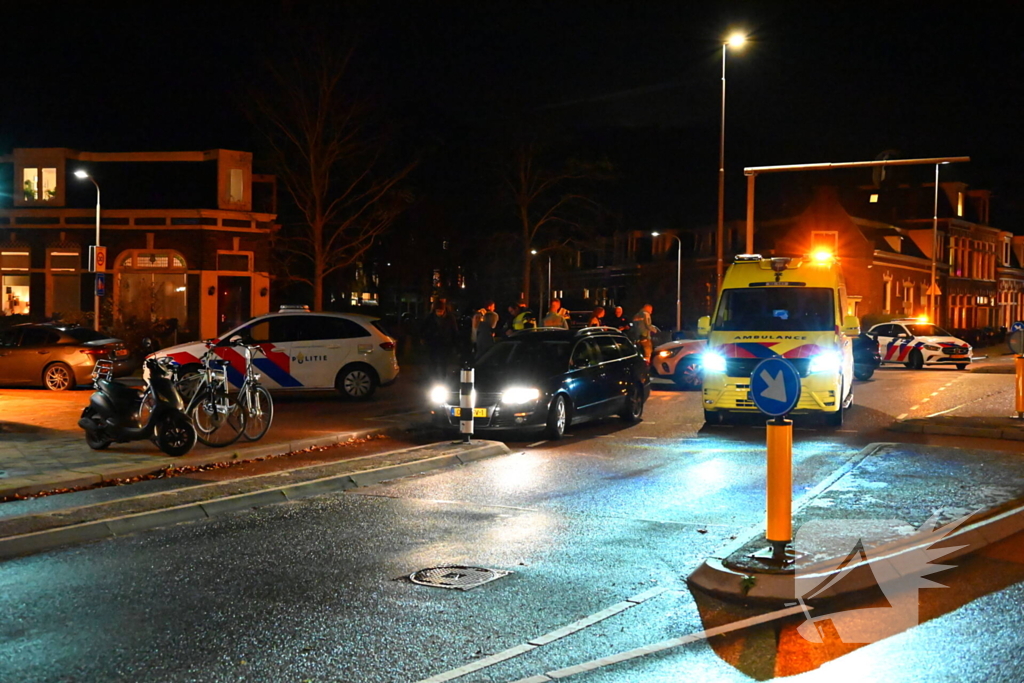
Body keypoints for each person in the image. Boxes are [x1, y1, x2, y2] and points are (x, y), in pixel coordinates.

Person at [421, 300, 459, 379]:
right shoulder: (430, 318)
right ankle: (433, 378)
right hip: (433, 343)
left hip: (445, 344)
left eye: (441, 311)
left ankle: (443, 377)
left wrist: (455, 343)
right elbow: (423, 329)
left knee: (443, 363)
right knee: (433, 362)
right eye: (438, 311)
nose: (440, 313)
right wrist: (425, 339)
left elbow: (454, 331)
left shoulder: (450, 318)